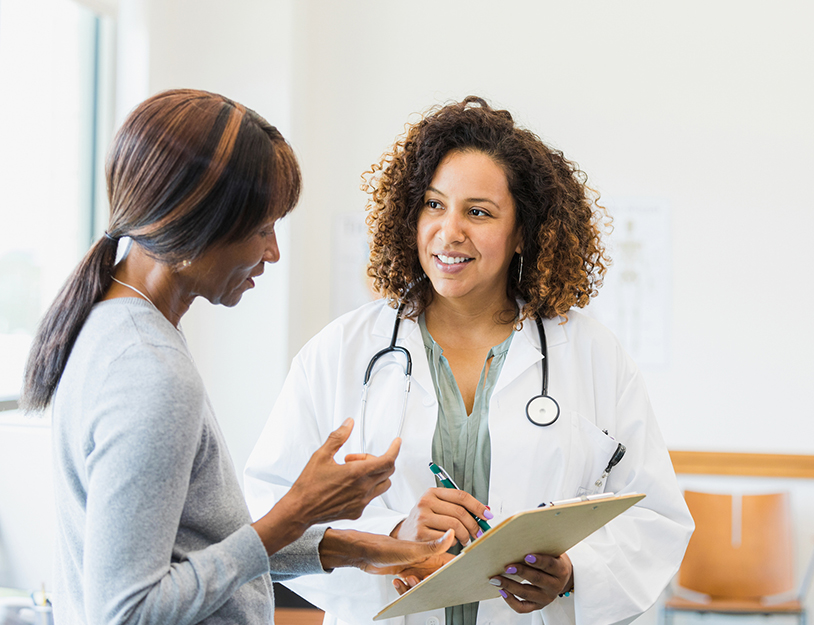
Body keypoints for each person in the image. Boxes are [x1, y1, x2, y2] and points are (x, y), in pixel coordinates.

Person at [243, 96, 694, 625]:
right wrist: (391, 536)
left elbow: (655, 515)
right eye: (434, 205)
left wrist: (573, 571)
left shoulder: (592, 354)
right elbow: (265, 512)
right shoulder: (341, 351)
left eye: (478, 212)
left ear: (523, 231)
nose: (450, 231)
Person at [20, 89, 454, 625]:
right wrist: (296, 512)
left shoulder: (109, 325)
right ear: (195, 223)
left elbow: (190, 554)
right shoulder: (150, 372)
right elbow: (129, 612)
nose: (272, 252)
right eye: (261, 229)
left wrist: (353, 548)